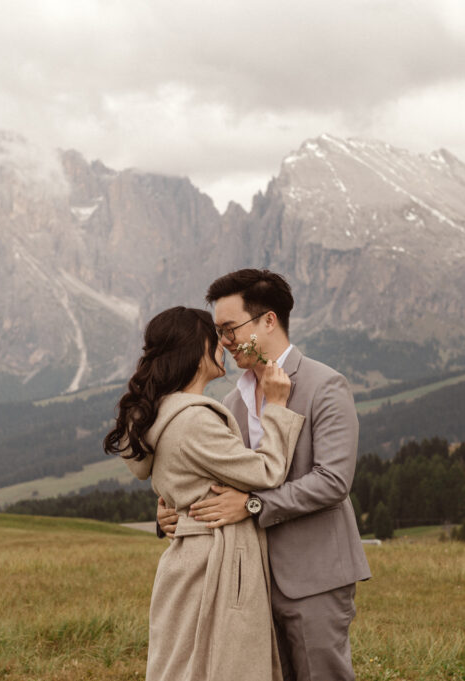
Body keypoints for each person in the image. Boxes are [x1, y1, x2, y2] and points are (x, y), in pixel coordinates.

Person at [158, 269, 372, 681]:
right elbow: (217, 476)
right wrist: (171, 510)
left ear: (268, 321)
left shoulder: (325, 385)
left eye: (230, 328)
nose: (224, 341)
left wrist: (254, 505)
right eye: (219, 332)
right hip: (247, 584)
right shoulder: (230, 401)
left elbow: (332, 481)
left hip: (314, 577)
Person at [104, 306, 305, 681]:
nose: (225, 344)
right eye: (216, 338)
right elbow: (266, 471)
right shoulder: (194, 419)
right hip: (216, 561)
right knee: (220, 667)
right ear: (197, 352)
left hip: (187, 558)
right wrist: (277, 406)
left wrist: (172, 511)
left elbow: (180, 480)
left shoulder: (159, 414)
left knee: (184, 665)